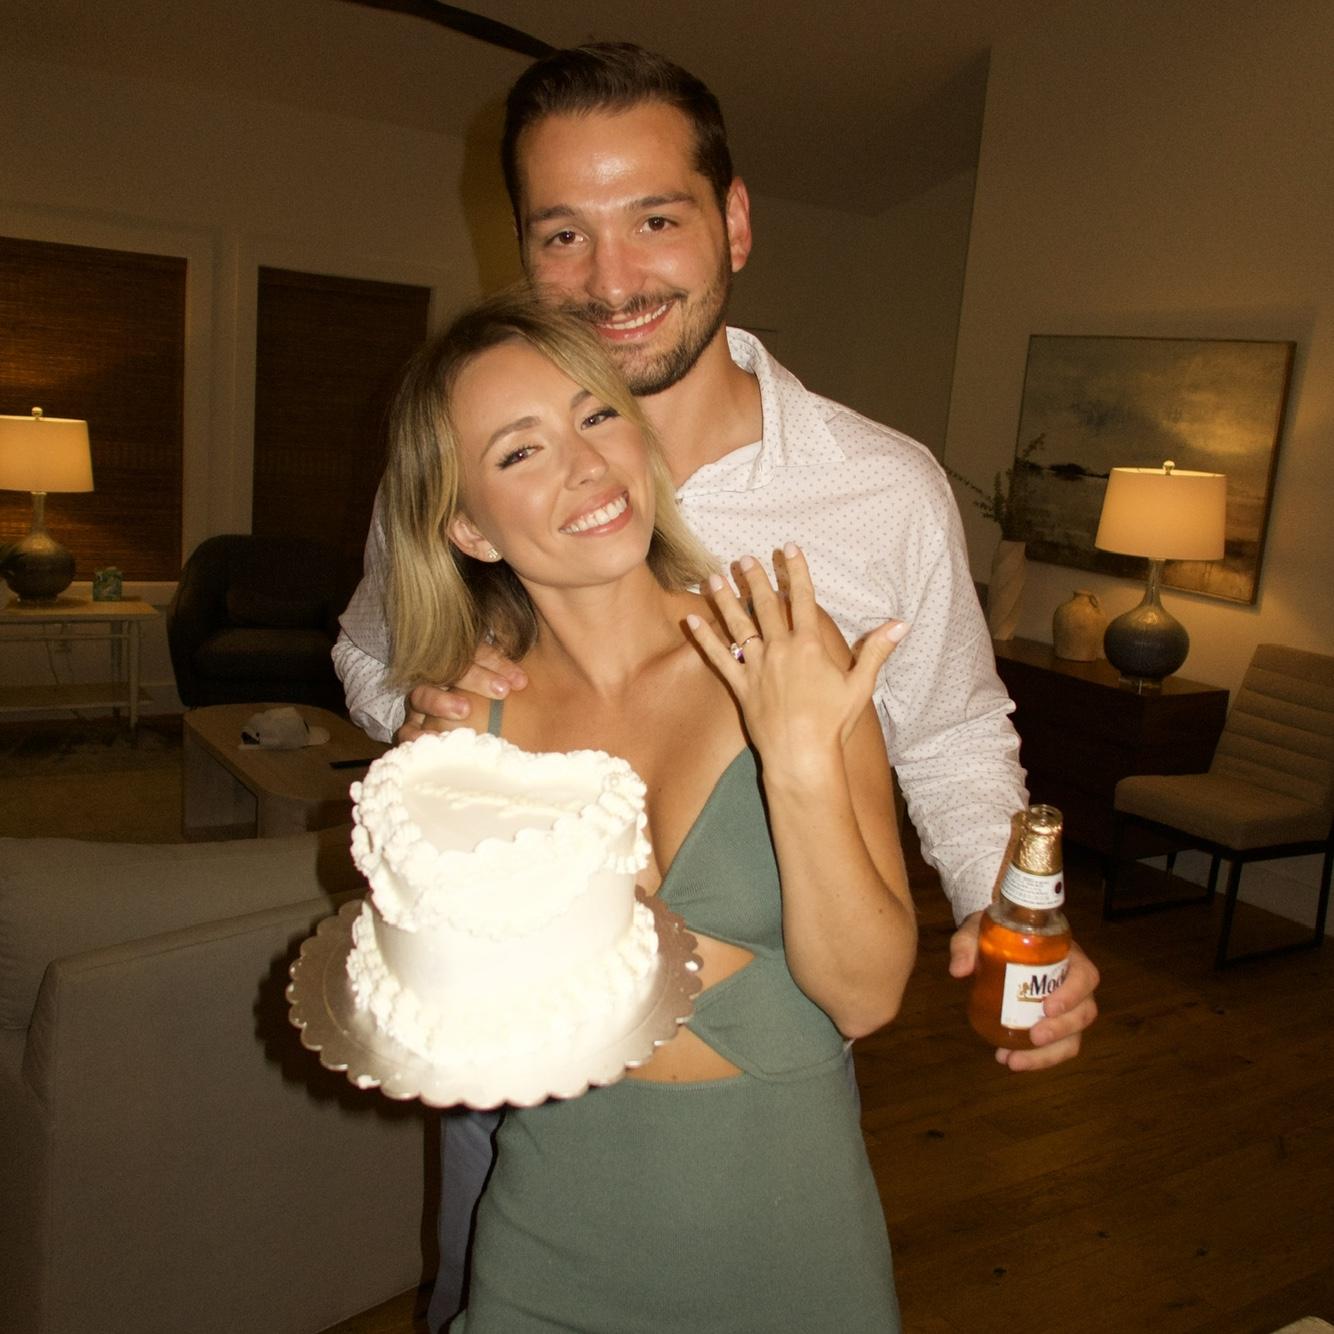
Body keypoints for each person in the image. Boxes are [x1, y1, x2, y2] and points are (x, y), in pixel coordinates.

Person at [333, 42, 1100, 1327]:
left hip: (769, 1100)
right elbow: (369, 646)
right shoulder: (461, 468)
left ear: (733, 222)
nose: (610, 278)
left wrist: (1004, 911)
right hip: (523, 1079)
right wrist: (429, 708)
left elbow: (953, 732)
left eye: (654, 219)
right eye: (564, 233)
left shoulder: (876, 488)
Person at [380, 288, 914, 1332]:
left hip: (791, 1239)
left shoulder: (790, 652)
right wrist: (425, 834)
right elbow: (449, 1032)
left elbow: (864, 997)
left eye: (597, 414)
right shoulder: (469, 732)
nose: (585, 464)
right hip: (550, 1241)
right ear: (468, 527)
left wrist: (798, 760)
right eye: (520, 451)